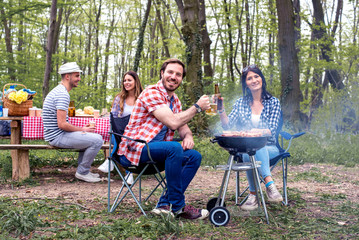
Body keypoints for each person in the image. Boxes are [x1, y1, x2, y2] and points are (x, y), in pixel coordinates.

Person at [118, 58, 210, 220]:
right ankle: (178, 206)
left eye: (178, 74)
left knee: (194, 156)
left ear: (181, 79)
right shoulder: (151, 93)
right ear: (162, 74)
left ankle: (164, 205)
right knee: (173, 148)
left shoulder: (175, 101)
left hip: (157, 153)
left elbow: (182, 127)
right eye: (170, 72)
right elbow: (173, 122)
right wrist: (197, 107)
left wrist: (188, 136)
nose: (174, 77)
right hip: (135, 151)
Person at [218, 64, 283, 210]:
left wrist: (254, 132)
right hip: (247, 147)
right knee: (249, 150)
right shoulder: (240, 103)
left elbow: (271, 130)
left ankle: (253, 195)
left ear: (262, 79)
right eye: (249, 78)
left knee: (253, 149)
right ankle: (270, 186)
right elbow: (227, 125)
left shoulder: (273, 102)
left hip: (270, 147)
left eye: (256, 76)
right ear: (245, 84)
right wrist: (221, 110)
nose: (254, 80)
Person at [43, 62, 104, 183]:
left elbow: (62, 123)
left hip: (57, 134)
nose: (79, 79)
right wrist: (83, 129)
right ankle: (82, 172)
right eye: (76, 76)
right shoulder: (62, 94)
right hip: (57, 136)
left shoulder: (60, 91)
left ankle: (83, 171)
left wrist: (82, 129)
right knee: (97, 140)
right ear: (67, 77)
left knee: (90, 137)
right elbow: (62, 124)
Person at [98, 70, 144, 185]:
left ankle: (111, 160)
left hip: (137, 133)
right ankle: (127, 173)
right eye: (124, 80)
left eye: (129, 80)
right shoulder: (119, 98)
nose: (126, 83)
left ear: (136, 81)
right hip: (120, 132)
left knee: (127, 140)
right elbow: (113, 118)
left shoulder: (142, 98)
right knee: (118, 137)